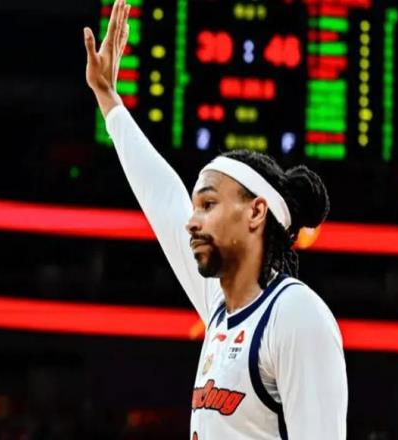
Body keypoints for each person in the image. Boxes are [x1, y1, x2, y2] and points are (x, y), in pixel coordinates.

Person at [83, 1, 348, 438]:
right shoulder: (221, 308)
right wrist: (109, 100)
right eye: (195, 208)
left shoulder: (295, 316)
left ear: (256, 211)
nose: (191, 221)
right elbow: (162, 197)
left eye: (208, 205)